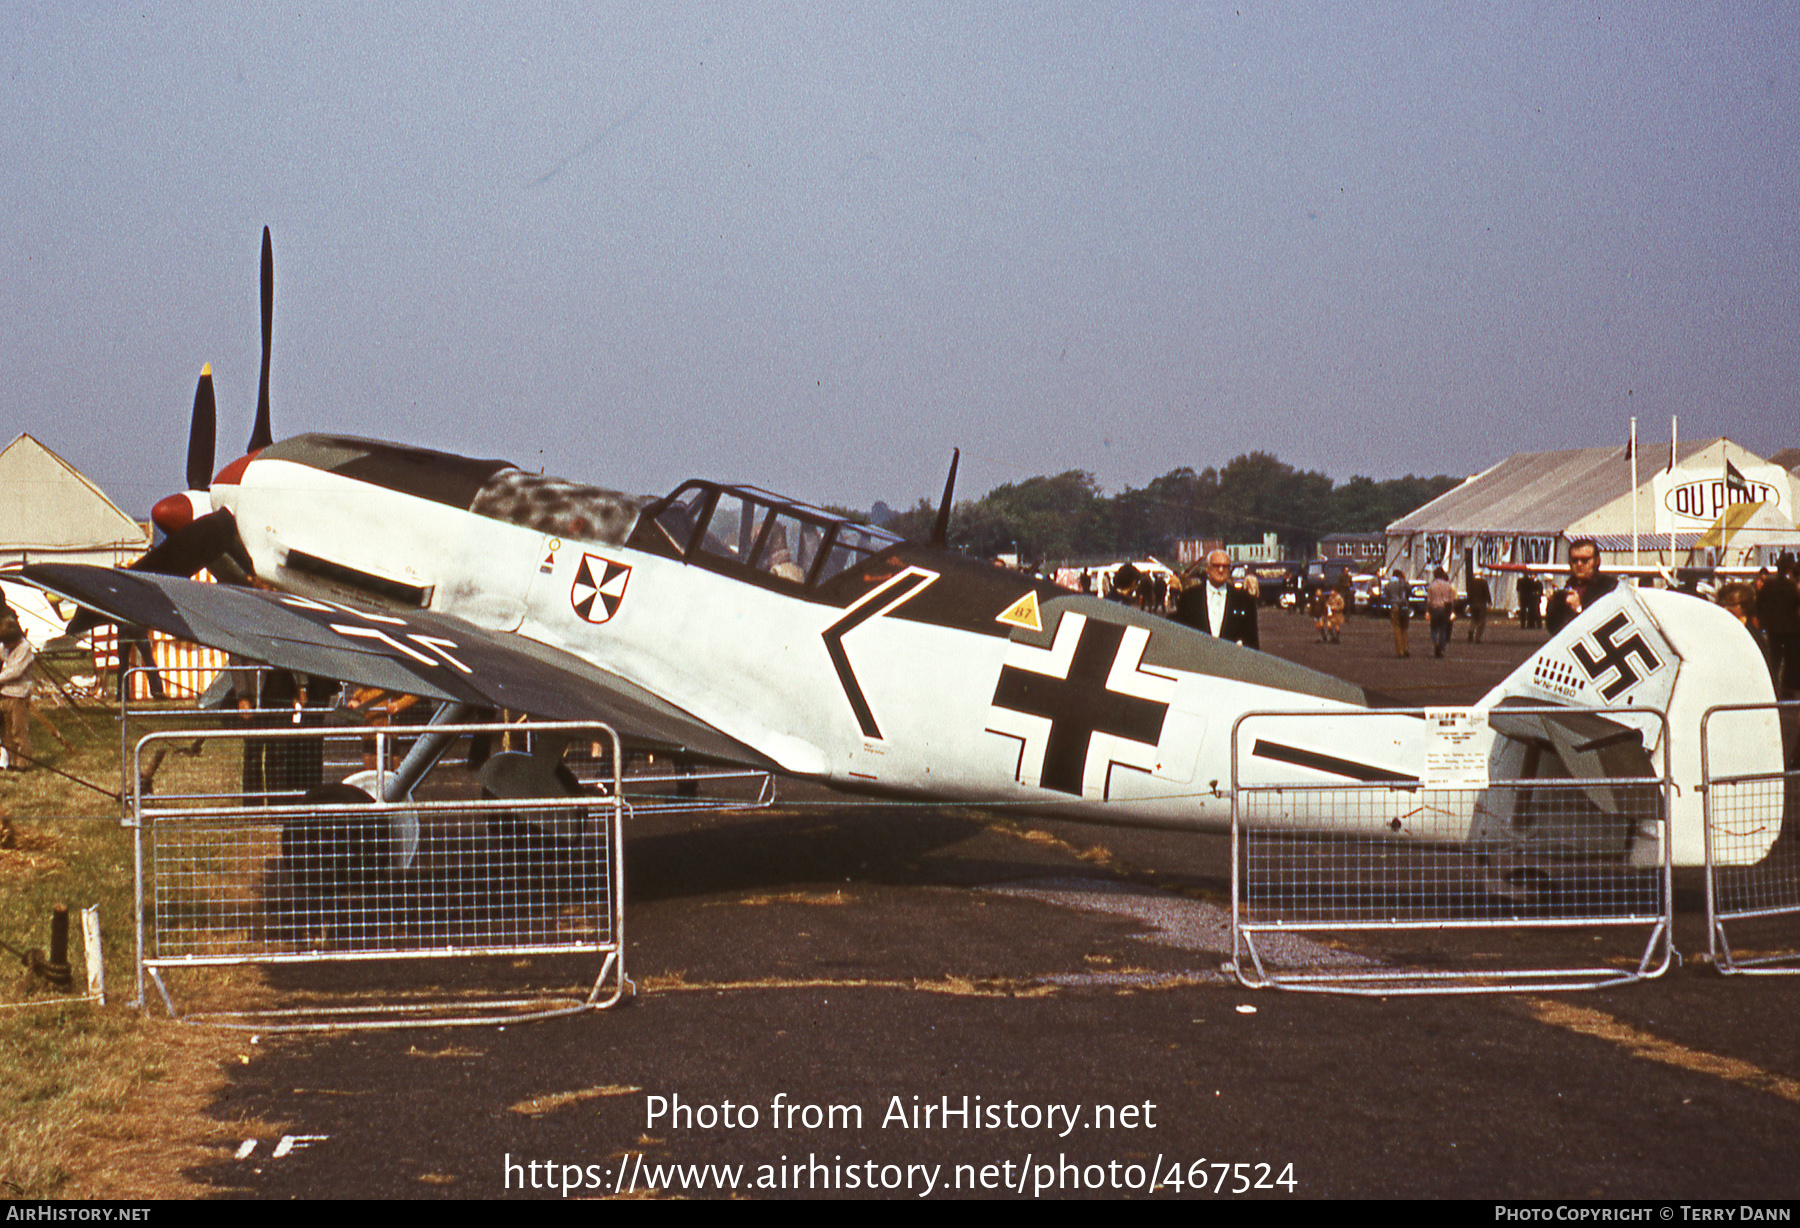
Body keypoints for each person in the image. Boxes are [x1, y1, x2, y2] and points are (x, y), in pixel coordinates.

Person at [1175, 550, 1259, 648]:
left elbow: (1252, 643)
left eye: (1225, 566)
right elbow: (1180, 637)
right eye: (1216, 565)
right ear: (1207, 568)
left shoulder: (1245, 601)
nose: (1220, 570)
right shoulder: (1188, 598)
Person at [1545, 539, 1619, 635]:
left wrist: (1579, 609)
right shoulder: (1568, 588)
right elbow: (1553, 629)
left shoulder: (1609, 587)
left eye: (1585, 560)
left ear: (1597, 561)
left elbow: (1609, 626)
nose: (1579, 564)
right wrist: (1553, 604)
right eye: (1574, 560)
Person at [1, 618, 36, 771]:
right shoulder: (6, 647)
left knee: (18, 730)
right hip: (5, 693)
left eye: (7, 643)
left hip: (19, 693)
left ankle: (23, 762)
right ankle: (11, 761)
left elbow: (15, 671)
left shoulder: (25, 648)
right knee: (7, 731)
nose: (5, 646)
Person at [1426, 567, 1456, 657]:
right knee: (1443, 630)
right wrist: (1451, 611)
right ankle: (1442, 649)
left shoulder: (1432, 585)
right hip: (1445, 609)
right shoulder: (1448, 585)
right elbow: (1451, 600)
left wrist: (1427, 611)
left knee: (1434, 629)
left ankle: (1436, 643)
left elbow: (1429, 600)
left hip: (1435, 609)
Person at [1384, 569, 1411, 658]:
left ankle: (1400, 651)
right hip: (1403, 606)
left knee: (1396, 628)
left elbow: (1386, 596)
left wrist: (1390, 602)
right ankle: (1406, 648)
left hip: (1394, 606)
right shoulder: (1402, 583)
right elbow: (1409, 590)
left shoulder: (1388, 584)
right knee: (1404, 628)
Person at [1466, 572, 1491, 643]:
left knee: (1474, 619)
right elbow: (1486, 592)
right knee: (1482, 621)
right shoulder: (1483, 582)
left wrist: (1468, 603)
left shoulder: (1471, 582)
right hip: (1481, 603)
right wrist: (1489, 601)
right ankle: (1477, 638)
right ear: (1481, 574)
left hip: (1473, 603)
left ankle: (1471, 630)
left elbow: (1469, 594)